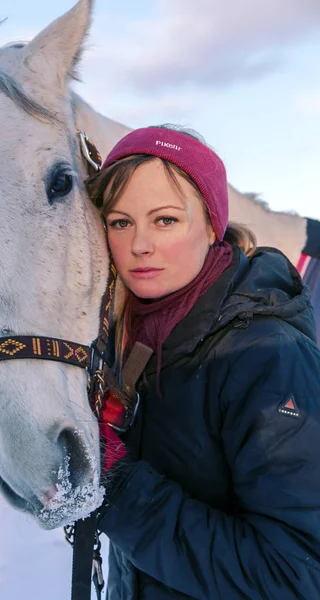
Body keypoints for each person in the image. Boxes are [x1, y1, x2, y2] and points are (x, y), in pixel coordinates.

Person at [86, 124, 320, 599]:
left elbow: (297, 575)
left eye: (165, 220)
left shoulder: (267, 356)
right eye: (120, 221)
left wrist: (115, 487)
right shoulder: (130, 339)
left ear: (212, 225)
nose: (139, 245)